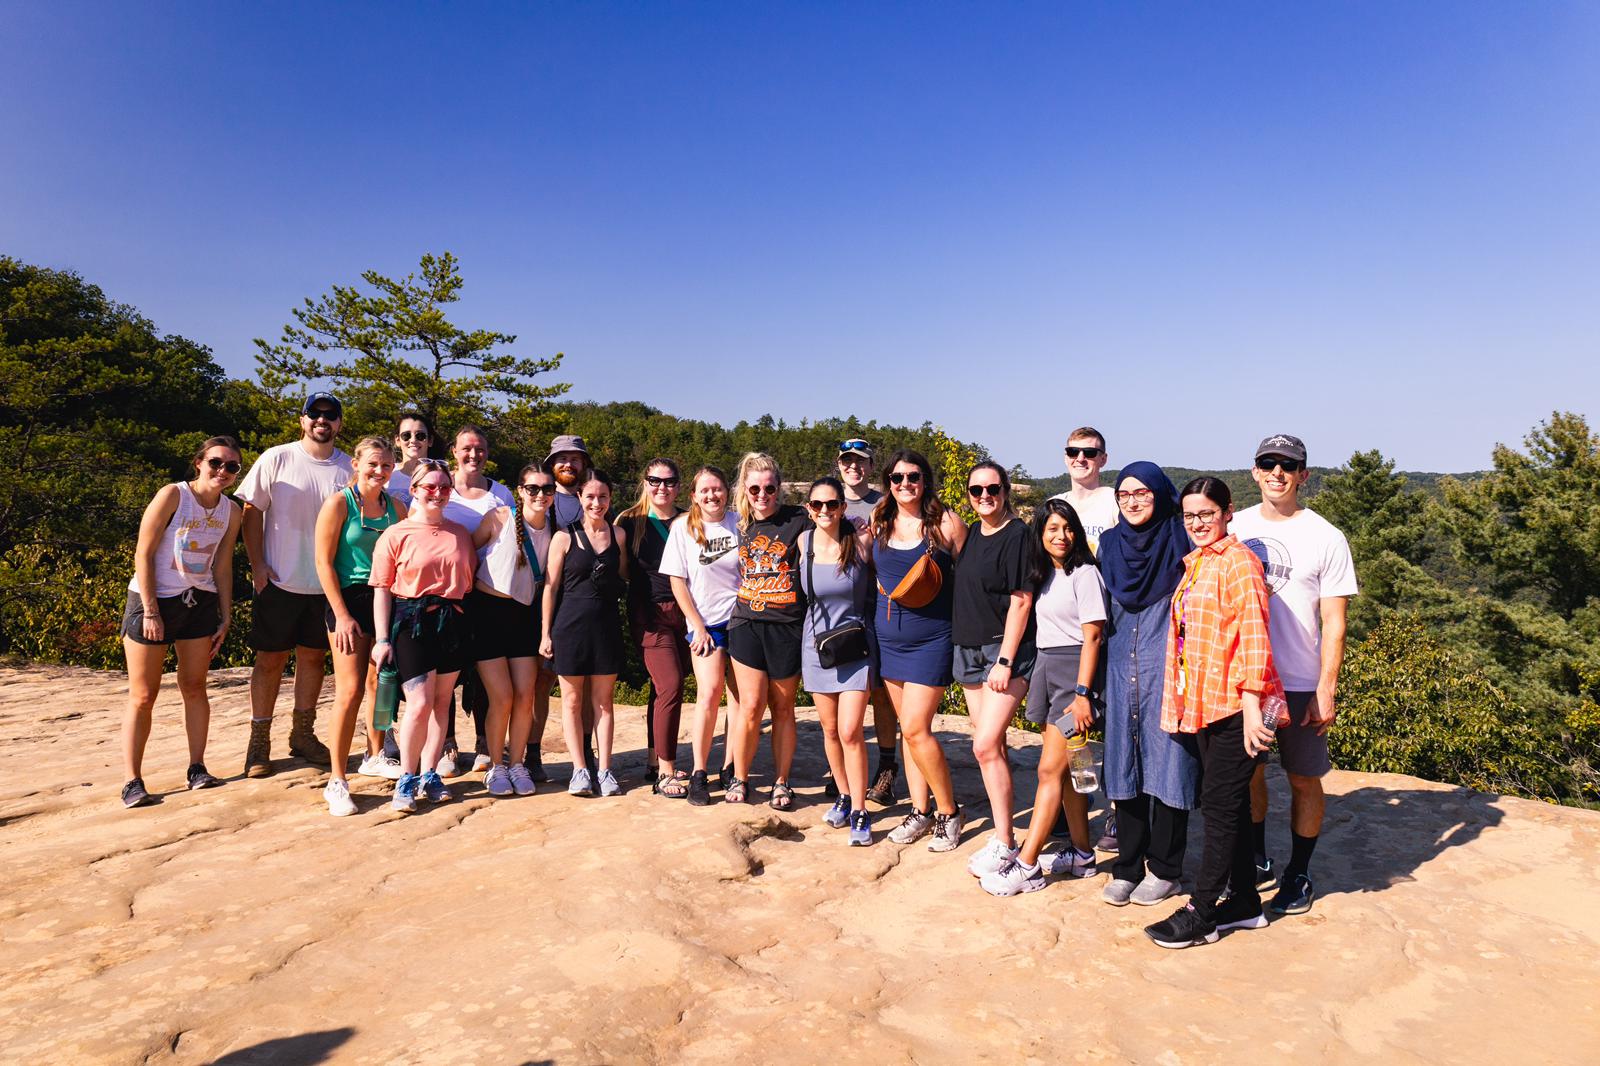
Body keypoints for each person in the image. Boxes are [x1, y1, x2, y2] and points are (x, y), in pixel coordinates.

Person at [1144, 477, 1285, 948]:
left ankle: (1201, 911)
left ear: (1228, 512)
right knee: (1232, 804)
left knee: (1221, 808)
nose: (1198, 523)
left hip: (1239, 706)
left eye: (1207, 513)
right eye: (1190, 516)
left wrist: (1251, 707)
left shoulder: (1239, 563)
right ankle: (1244, 901)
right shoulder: (1199, 563)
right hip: (1208, 702)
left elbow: (1255, 635)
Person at [1231, 434, 1358, 916]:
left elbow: (1335, 621)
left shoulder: (1326, 537)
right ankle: (1258, 856)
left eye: (1289, 464)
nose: (1277, 472)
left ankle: (1299, 872)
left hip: (1302, 679)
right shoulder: (1233, 526)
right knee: (1249, 772)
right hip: (1248, 678)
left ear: (1303, 474)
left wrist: (1328, 686)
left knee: (1304, 778)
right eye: (1268, 462)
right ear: (1255, 470)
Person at [980, 498, 1107, 894]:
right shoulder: (1044, 574)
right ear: (1040, 533)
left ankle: (1029, 864)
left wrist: (1083, 694)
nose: (1061, 536)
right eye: (1052, 529)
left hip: (1074, 679)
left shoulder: (1084, 573)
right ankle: (1083, 854)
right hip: (1050, 670)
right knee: (1072, 769)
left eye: (1068, 528)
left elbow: (1094, 636)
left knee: (1049, 771)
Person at [1096, 462, 1201, 907]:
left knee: (1169, 767)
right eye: (1124, 495)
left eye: (1142, 493)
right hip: (1120, 670)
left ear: (1160, 495)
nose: (1133, 502)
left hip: (1168, 671)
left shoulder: (1181, 540)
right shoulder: (1108, 545)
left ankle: (1166, 869)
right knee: (1125, 766)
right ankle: (1127, 866)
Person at [119, 437, 244, 807]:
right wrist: (152, 609)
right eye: (216, 463)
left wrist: (226, 614)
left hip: (198, 601)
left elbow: (222, 565)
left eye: (232, 467)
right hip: (152, 599)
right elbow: (143, 552)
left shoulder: (231, 511)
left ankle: (197, 768)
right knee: (143, 695)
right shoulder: (173, 495)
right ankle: (132, 780)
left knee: (194, 686)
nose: (222, 471)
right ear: (199, 462)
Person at [236, 393, 353, 777]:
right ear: (302, 420)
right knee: (270, 660)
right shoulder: (277, 457)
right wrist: (257, 566)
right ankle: (259, 741)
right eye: (314, 414)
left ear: (339, 422)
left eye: (330, 415)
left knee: (314, 658)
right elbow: (251, 511)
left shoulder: (349, 468)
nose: (322, 421)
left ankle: (302, 734)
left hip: (326, 585)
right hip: (279, 579)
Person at [873, 449, 969, 852]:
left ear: (925, 480)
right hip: (889, 638)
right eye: (897, 478)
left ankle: (949, 812)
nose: (905, 485)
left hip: (932, 638)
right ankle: (920, 810)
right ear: (888, 484)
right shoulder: (880, 521)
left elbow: (968, 581)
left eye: (913, 477)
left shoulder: (946, 523)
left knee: (915, 727)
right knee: (908, 731)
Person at [368, 461, 478, 812]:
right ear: (414, 489)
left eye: (444, 487)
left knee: (441, 702)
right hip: (410, 620)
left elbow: (469, 582)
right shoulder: (395, 534)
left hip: (452, 621)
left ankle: (431, 774)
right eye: (429, 486)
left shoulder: (460, 533)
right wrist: (382, 639)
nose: (437, 493)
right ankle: (407, 775)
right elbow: (382, 589)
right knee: (418, 704)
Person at [952, 462, 1037, 878]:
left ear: (1005, 491)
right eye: (976, 489)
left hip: (1000, 653)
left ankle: (1006, 842)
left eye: (992, 489)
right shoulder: (972, 533)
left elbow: (1022, 599)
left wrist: (1005, 658)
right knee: (994, 747)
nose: (984, 496)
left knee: (984, 746)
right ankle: (1004, 836)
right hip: (967, 649)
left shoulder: (1018, 535)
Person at [314, 436, 406, 816]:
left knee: (381, 682)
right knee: (350, 690)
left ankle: (375, 752)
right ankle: (337, 780)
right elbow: (322, 562)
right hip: (347, 599)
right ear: (355, 464)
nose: (379, 471)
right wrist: (342, 614)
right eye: (372, 464)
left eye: (386, 465)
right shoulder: (339, 504)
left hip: (384, 599)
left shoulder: (396, 507)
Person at [725, 453, 811, 809]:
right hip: (746, 624)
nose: (763, 495)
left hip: (787, 626)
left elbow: (833, 519)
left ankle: (781, 781)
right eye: (756, 488)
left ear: (779, 488)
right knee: (750, 707)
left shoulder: (799, 520)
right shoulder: (736, 524)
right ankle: (740, 778)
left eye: (770, 488)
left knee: (783, 708)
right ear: (745, 490)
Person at [468, 461, 556, 798]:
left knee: (525, 696)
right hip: (488, 613)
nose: (540, 495)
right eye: (532, 488)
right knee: (501, 697)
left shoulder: (555, 528)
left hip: (524, 616)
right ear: (520, 491)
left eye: (547, 489)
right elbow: (468, 552)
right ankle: (496, 766)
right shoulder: (499, 518)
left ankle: (517, 763)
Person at [540, 469, 629, 797]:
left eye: (602, 496)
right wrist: (545, 633)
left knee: (604, 702)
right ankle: (579, 769)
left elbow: (623, 578)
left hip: (605, 626)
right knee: (572, 701)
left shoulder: (618, 535)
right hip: (570, 627)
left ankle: (605, 770)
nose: (597, 502)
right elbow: (550, 588)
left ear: (610, 498)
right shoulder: (563, 537)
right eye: (590, 496)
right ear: (579, 498)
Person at [800, 476, 878, 845]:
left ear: (844, 507)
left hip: (855, 647)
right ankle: (845, 795)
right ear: (808, 509)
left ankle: (861, 811)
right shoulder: (804, 542)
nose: (825, 511)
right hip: (817, 647)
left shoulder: (861, 540)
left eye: (832, 504)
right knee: (830, 731)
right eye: (817, 505)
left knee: (850, 731)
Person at [661, 465, 742, 806]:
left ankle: (731, 766)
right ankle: (698, 772)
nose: (712, 495)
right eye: (704, 490)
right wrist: (696, 624)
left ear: (727, 491)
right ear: (693, 496)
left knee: (740, 698)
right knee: (709, 694)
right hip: (705, 623)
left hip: (742, 620)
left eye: (717, 489)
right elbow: (677, 581)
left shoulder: (741, 523)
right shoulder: (683, 528)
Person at [439, 424, 516, 776]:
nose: (473, 455)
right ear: (454, 451)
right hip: (444, 594)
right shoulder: (440, 487)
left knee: (485, 672)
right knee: (446, 672)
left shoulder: (501, 495)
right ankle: (447, 745)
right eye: (466, 448)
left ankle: (485, 742)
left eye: (480, 449)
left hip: (487, 596)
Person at [836, 438, 901, 807]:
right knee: (846, 687)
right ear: (839, 464)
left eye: (860, 461)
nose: (853, 467)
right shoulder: (828, 499)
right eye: (847, 461)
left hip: (877, 604)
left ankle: (887, 767)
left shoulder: (883, 504)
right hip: (842, 609)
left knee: (880, 690)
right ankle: (845, 770)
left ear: (870, 465)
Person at [621, 459, 691, 796]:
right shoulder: (629, 521)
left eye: (669, 481)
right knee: (670, 683)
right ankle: (667, 771)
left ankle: (653, 758)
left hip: (687, 613)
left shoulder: (689, 520)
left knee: (661, 687)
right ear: (644, 482)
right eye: (654, 480)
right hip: (648, 615)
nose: (661, 487)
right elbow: (620, 570)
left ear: (679, 485)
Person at [1048, 426, 1119, 553]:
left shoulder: (1115, 502)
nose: (1080, 459)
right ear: (1066, 458)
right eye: (1073, 452)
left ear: (1103, 459)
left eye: (1089, 452)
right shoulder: (1053, 504)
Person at [386, 411, 437, 509]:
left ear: (430, 440)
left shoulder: (442, 476)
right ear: (397, 440)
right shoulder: (385, 472)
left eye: (420, 436)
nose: (413, 440)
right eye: (406, 435)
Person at [544, 433, 592, 531]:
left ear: (584, 464)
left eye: (575, 459)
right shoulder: (540, 499)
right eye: (563, 459)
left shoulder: (596, 501)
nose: (568, 464)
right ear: (552, 464)